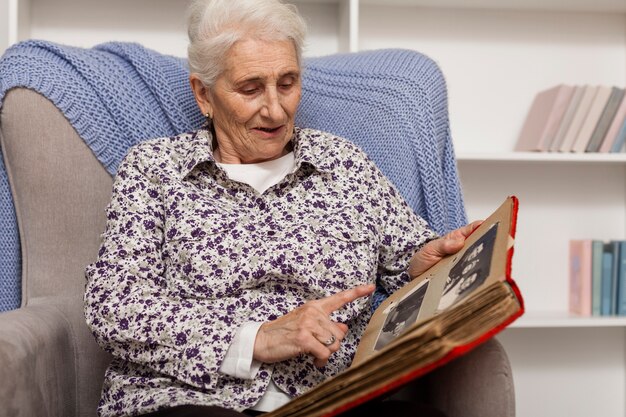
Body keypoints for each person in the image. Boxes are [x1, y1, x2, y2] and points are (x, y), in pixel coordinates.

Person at [84, 1, 480, 416]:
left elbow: (407, 258)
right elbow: (114, 305)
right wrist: (258, 338)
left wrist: (426, 259)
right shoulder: (155, 170)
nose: (276, 110)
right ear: (204, 94)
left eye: (287, 83)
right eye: (251, 88)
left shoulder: (343, 163)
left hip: (330, 397)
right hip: (192, 398)